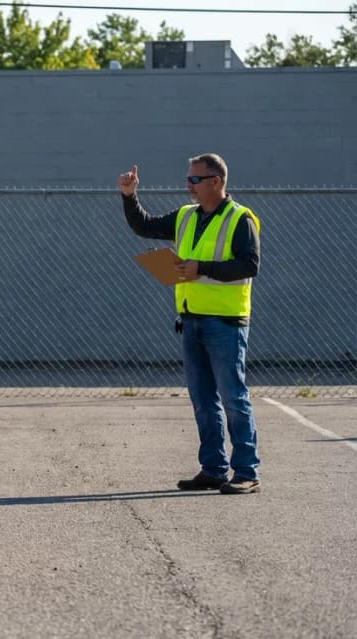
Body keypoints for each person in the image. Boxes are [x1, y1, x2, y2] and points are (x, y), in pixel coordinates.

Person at [118, 154, 262, 494]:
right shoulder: (185, 216)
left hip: (226, 323)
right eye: (188, 179)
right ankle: (213, 468)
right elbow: (145, 226)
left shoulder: (240, 219)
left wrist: (203, 268)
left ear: (216, 181)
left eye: (195, 180)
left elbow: (249, 265)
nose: (189, 185)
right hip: (191, 320)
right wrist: (129, 196)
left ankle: (247, 471)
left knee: (233, 398)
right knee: (203, 399)